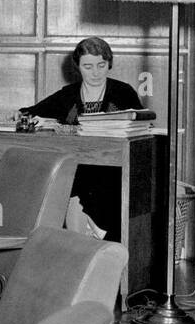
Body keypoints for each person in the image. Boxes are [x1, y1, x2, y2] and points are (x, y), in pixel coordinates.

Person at [20, 36, 144, 240]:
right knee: (65, 178)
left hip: (113, 169)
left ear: (109, 64)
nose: (95, 72)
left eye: (101, 65)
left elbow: (142, 124)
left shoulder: (123, 92)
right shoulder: (68, 95)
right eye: (88, 66)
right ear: (78, 67)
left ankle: (96, 238)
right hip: (77, 165)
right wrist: (47, 123)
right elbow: (29, 113)